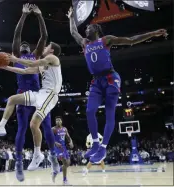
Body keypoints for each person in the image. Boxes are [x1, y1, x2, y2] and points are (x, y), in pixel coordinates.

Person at [67, 7, 168, 163]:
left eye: (89, 27)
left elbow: (131, 40)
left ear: (96, 29)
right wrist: (71, 17)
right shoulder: (85, 43)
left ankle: (103, 148)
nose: (86, 29)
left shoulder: (106, 39)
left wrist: (153, 33)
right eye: (86, 27)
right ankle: (95, 143)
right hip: (96, 81)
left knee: (109, 113)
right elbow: (74, 32)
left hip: (110, 78)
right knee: (89, 111)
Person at [0, 4, 59, 182]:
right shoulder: (15, 54)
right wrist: (24, 15)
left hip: (39, 94)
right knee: (22, 128)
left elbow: (44, 36)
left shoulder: (36, 56)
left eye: (27, 44)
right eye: (22, 44)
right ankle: (19, 164)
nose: (24, 44)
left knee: (46, 128)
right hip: (24, 93)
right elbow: (17, 35)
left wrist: (39, 16)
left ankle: (53, 159)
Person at [52, 116, 73, 185]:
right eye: (56, 120)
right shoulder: (53, 129)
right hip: (57, 148)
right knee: (65, 163)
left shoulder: (64, 129)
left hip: (64, 148)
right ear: (55, 122)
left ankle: (56, 171)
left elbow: (68, 137)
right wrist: (55, 143)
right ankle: (65, 181)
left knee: (68, 163)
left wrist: (71, 142)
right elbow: (49, 139)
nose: (58, 121)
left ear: (61, 121)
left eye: (59, 120)